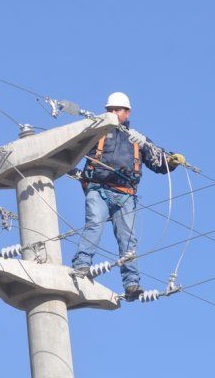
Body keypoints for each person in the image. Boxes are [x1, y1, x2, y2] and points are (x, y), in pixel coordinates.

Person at [71, 92, 186, 301]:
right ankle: (81, 265)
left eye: (117, 110)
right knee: (94, 225)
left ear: (127, 113)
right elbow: (73, 150)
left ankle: (132, 284)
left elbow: (157, 161)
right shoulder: (96, 133)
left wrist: (172, 160)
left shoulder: (136, 139)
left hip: (125, 195)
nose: (113, 113)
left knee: (128, 240)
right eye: (110, 110)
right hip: (99, 189)